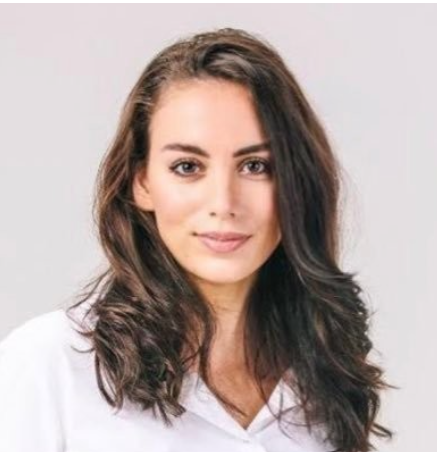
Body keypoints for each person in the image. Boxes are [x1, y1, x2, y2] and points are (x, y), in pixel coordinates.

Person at [0, 27, 396, 452]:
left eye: (256, 166)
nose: (223, 203)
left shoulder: (327, 379)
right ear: (142, 182)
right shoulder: (52, 366)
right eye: (188, 167)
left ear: (296, 182)